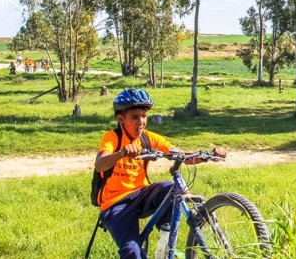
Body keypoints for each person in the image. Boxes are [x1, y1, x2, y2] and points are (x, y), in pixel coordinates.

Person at [95, 88, 224, 259]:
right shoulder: (112, 138)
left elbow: (181, 155)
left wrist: (208, 154)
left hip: (141, 194)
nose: (140, 122)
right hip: (116, 204)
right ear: (121, 119)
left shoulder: (148, 138)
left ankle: (163, 245)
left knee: (170, 189)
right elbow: (100, 165)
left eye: (144, 116)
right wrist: (121, 153)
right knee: (132, 252)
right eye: (134, 117)